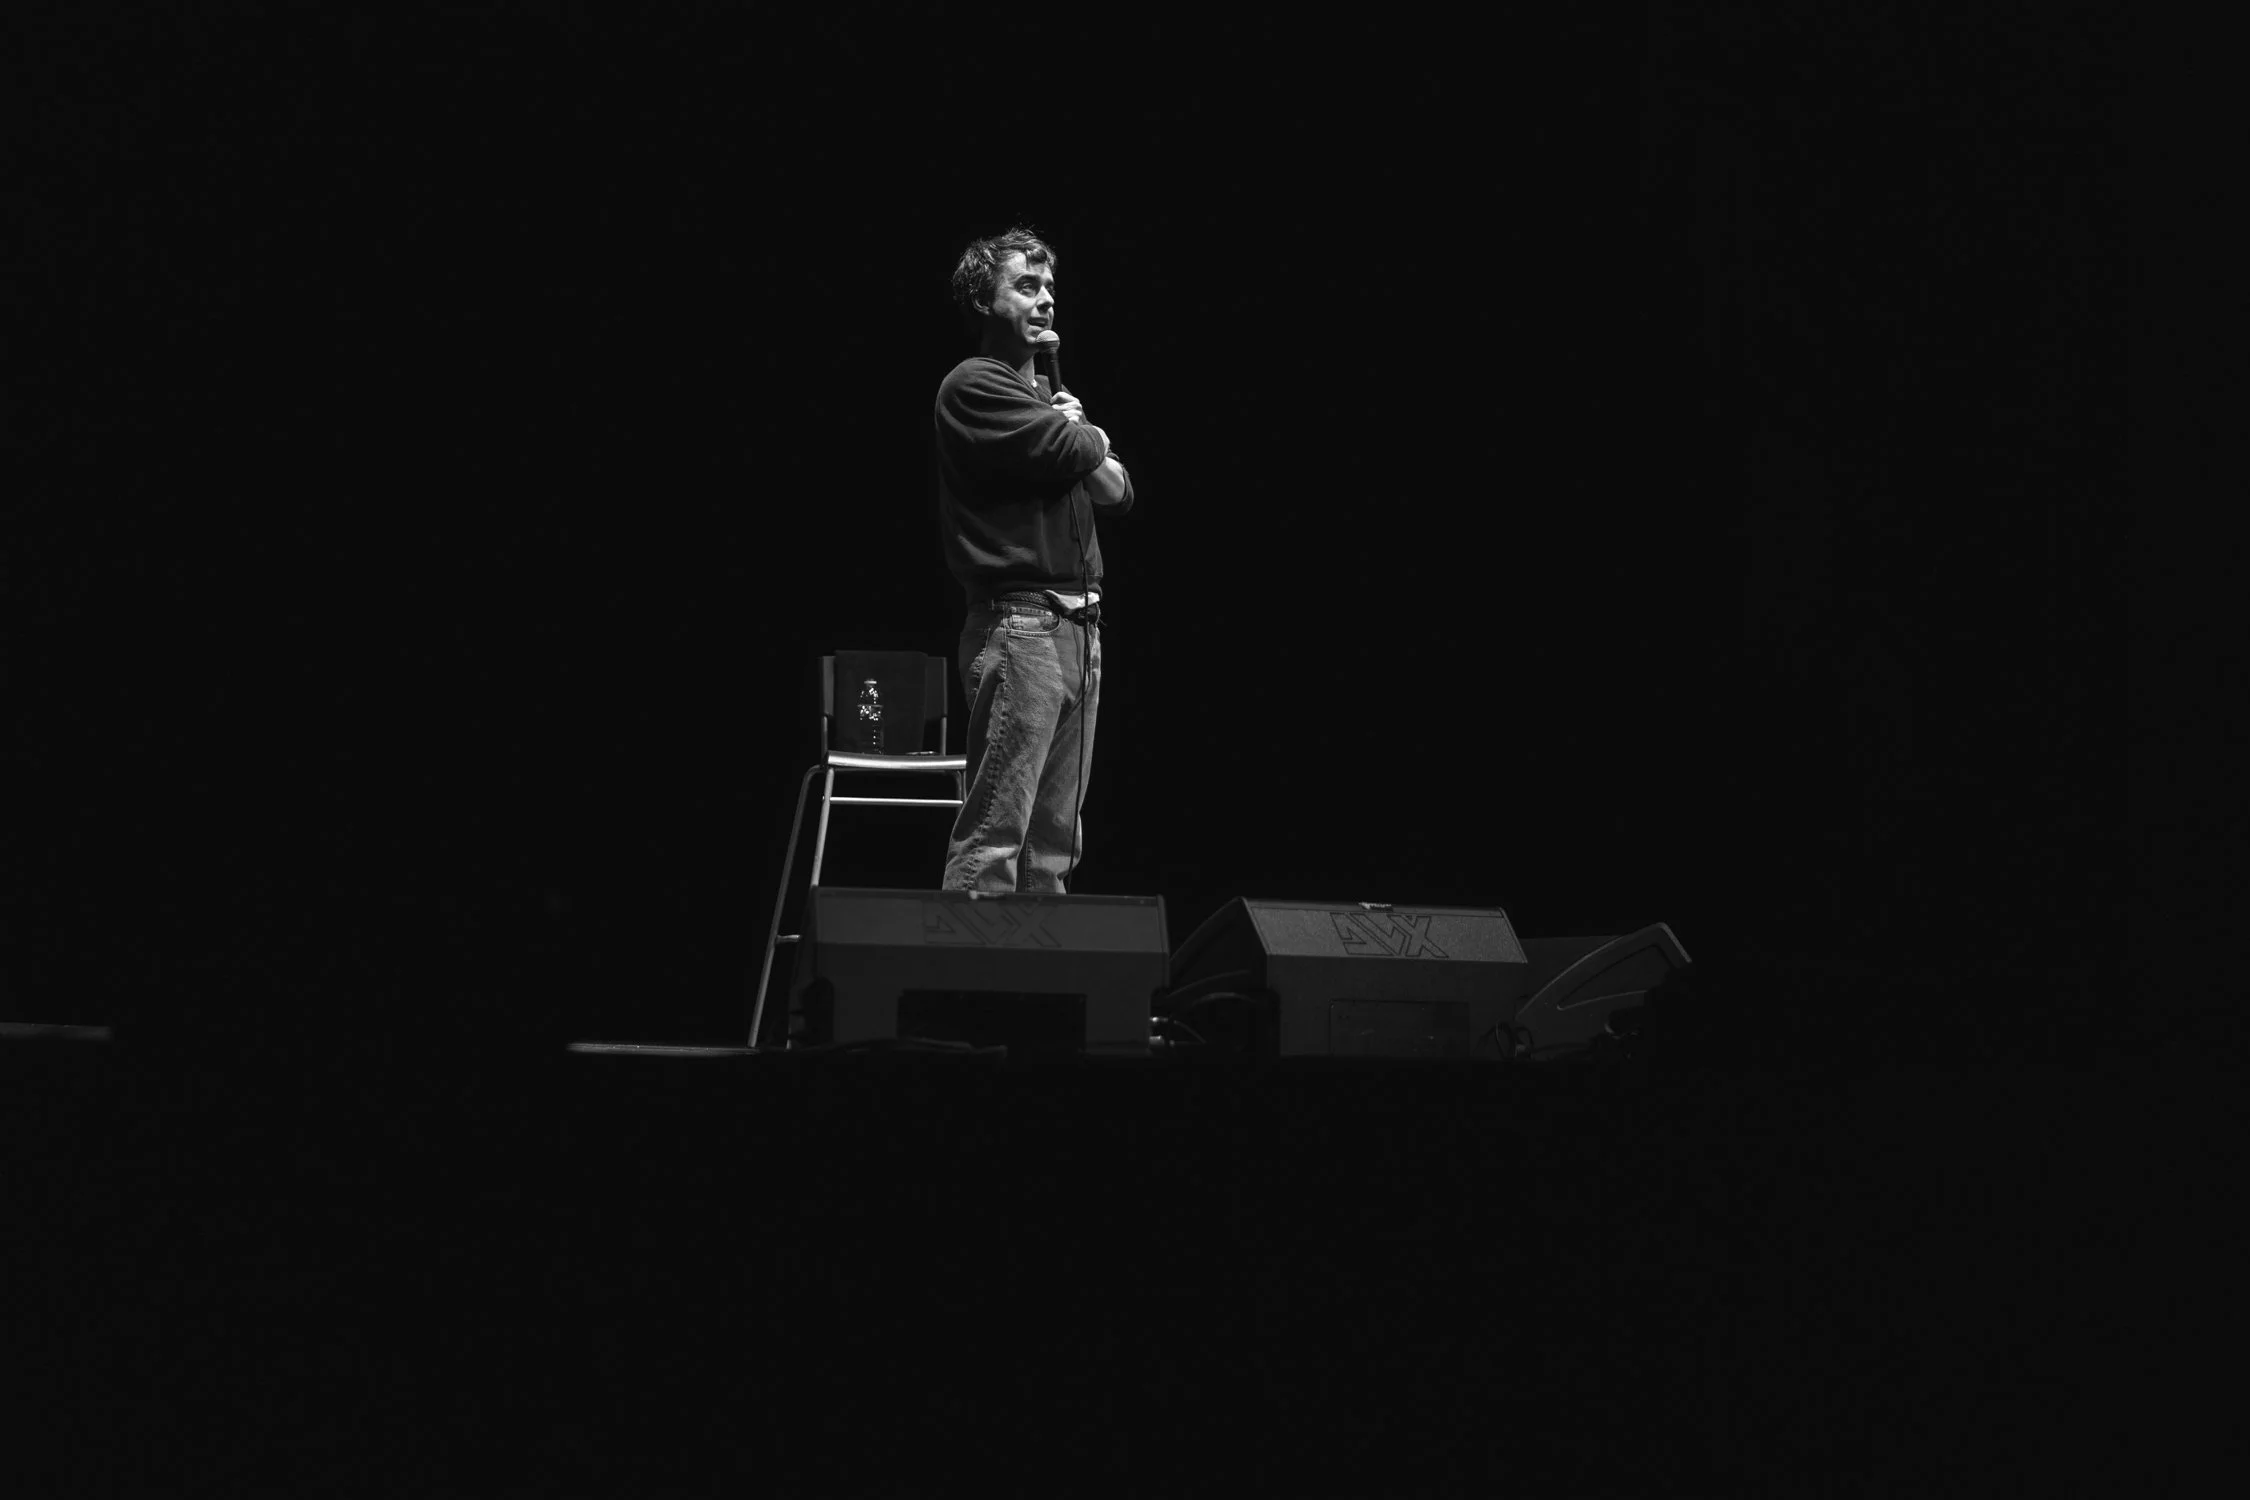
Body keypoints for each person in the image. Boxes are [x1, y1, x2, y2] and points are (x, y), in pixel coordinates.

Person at [934, 228, 1134, 894]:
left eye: (1049, 288)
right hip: (1023, 629)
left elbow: (1120, 491)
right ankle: (964, 989)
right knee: (996, 837)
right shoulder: (975, 386)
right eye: (1026, 286)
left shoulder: (1051, 403)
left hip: (1082, 634)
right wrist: (1085, 434)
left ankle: (1041, 992)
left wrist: (1080, 434)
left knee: (1054, 850)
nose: (1045, 300)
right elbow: (1085, 456)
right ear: (983, 302)